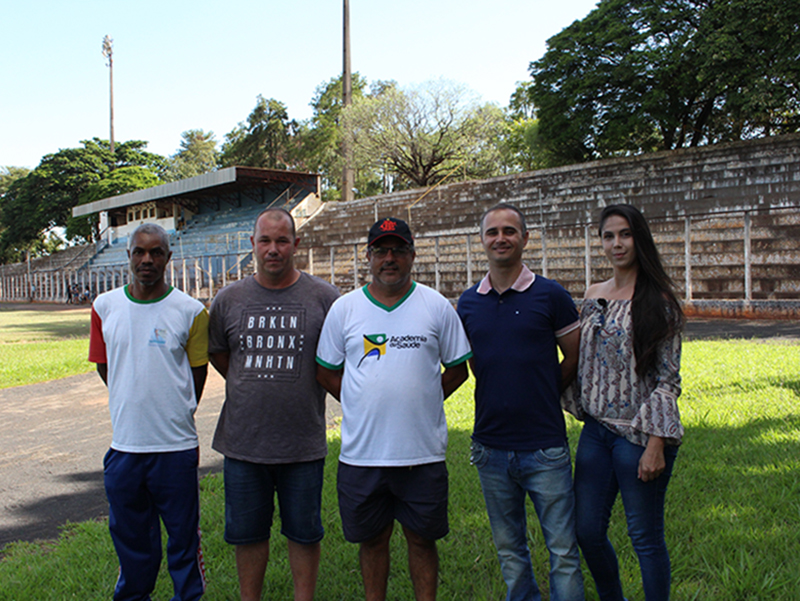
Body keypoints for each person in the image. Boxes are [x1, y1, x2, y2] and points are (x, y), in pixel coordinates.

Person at [316, 217, 472, 601]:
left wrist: (424, 397)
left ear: (412, 256)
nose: (390, 258)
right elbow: (325, 370)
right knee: (372, 541)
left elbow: (458, 369)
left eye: (398, 250)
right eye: (381, 250)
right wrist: (358, 398)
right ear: (367, 256)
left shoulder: (435, 305)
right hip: (362, 455)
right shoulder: (344, 309)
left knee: (421, 541)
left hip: (421, 453)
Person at [208, 207, 339, 601]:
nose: (273, 249)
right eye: (265, 240)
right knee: (247, 535)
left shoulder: (324, 298)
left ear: (296, 244)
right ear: (252, 245)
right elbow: (220, 355)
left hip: (302, 443)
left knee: (303, 532)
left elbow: (335, 362)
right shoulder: (229, 300)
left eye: (282, 240)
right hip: (244, 443)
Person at [457, 204, 585, 601]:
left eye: (509, 231)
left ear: (525, 238)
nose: (500, 238)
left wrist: (546, 387)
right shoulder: (468, 302)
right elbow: (475, 362)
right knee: (510, 551)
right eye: (492, 231)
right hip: (490, 447)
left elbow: (576, 355)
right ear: (482, 240)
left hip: (544, 446)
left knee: (563, 551)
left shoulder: (551, 295)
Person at [563, 204, 684, 601]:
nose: (617, 244)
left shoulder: (658, 300)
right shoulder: (593, 295)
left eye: (626, 234)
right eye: (609, 236)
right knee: (587, 531)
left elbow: (668, 379)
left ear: (640, 239)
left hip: (639, 434)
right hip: (597, 433)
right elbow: (579, 360)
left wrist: (655, 445)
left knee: (644, 537)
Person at [88, 223, 209, 601]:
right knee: (132, 545)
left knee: (184, 543)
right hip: (125, 450)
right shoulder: (104, 307)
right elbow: (106, 367)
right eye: (140, 251)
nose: (147, 259)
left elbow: (196, 377)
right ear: (128, 256)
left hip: (175, 449)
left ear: (168, 258)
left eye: (156, 252)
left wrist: (169, 408)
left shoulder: (190, 311)